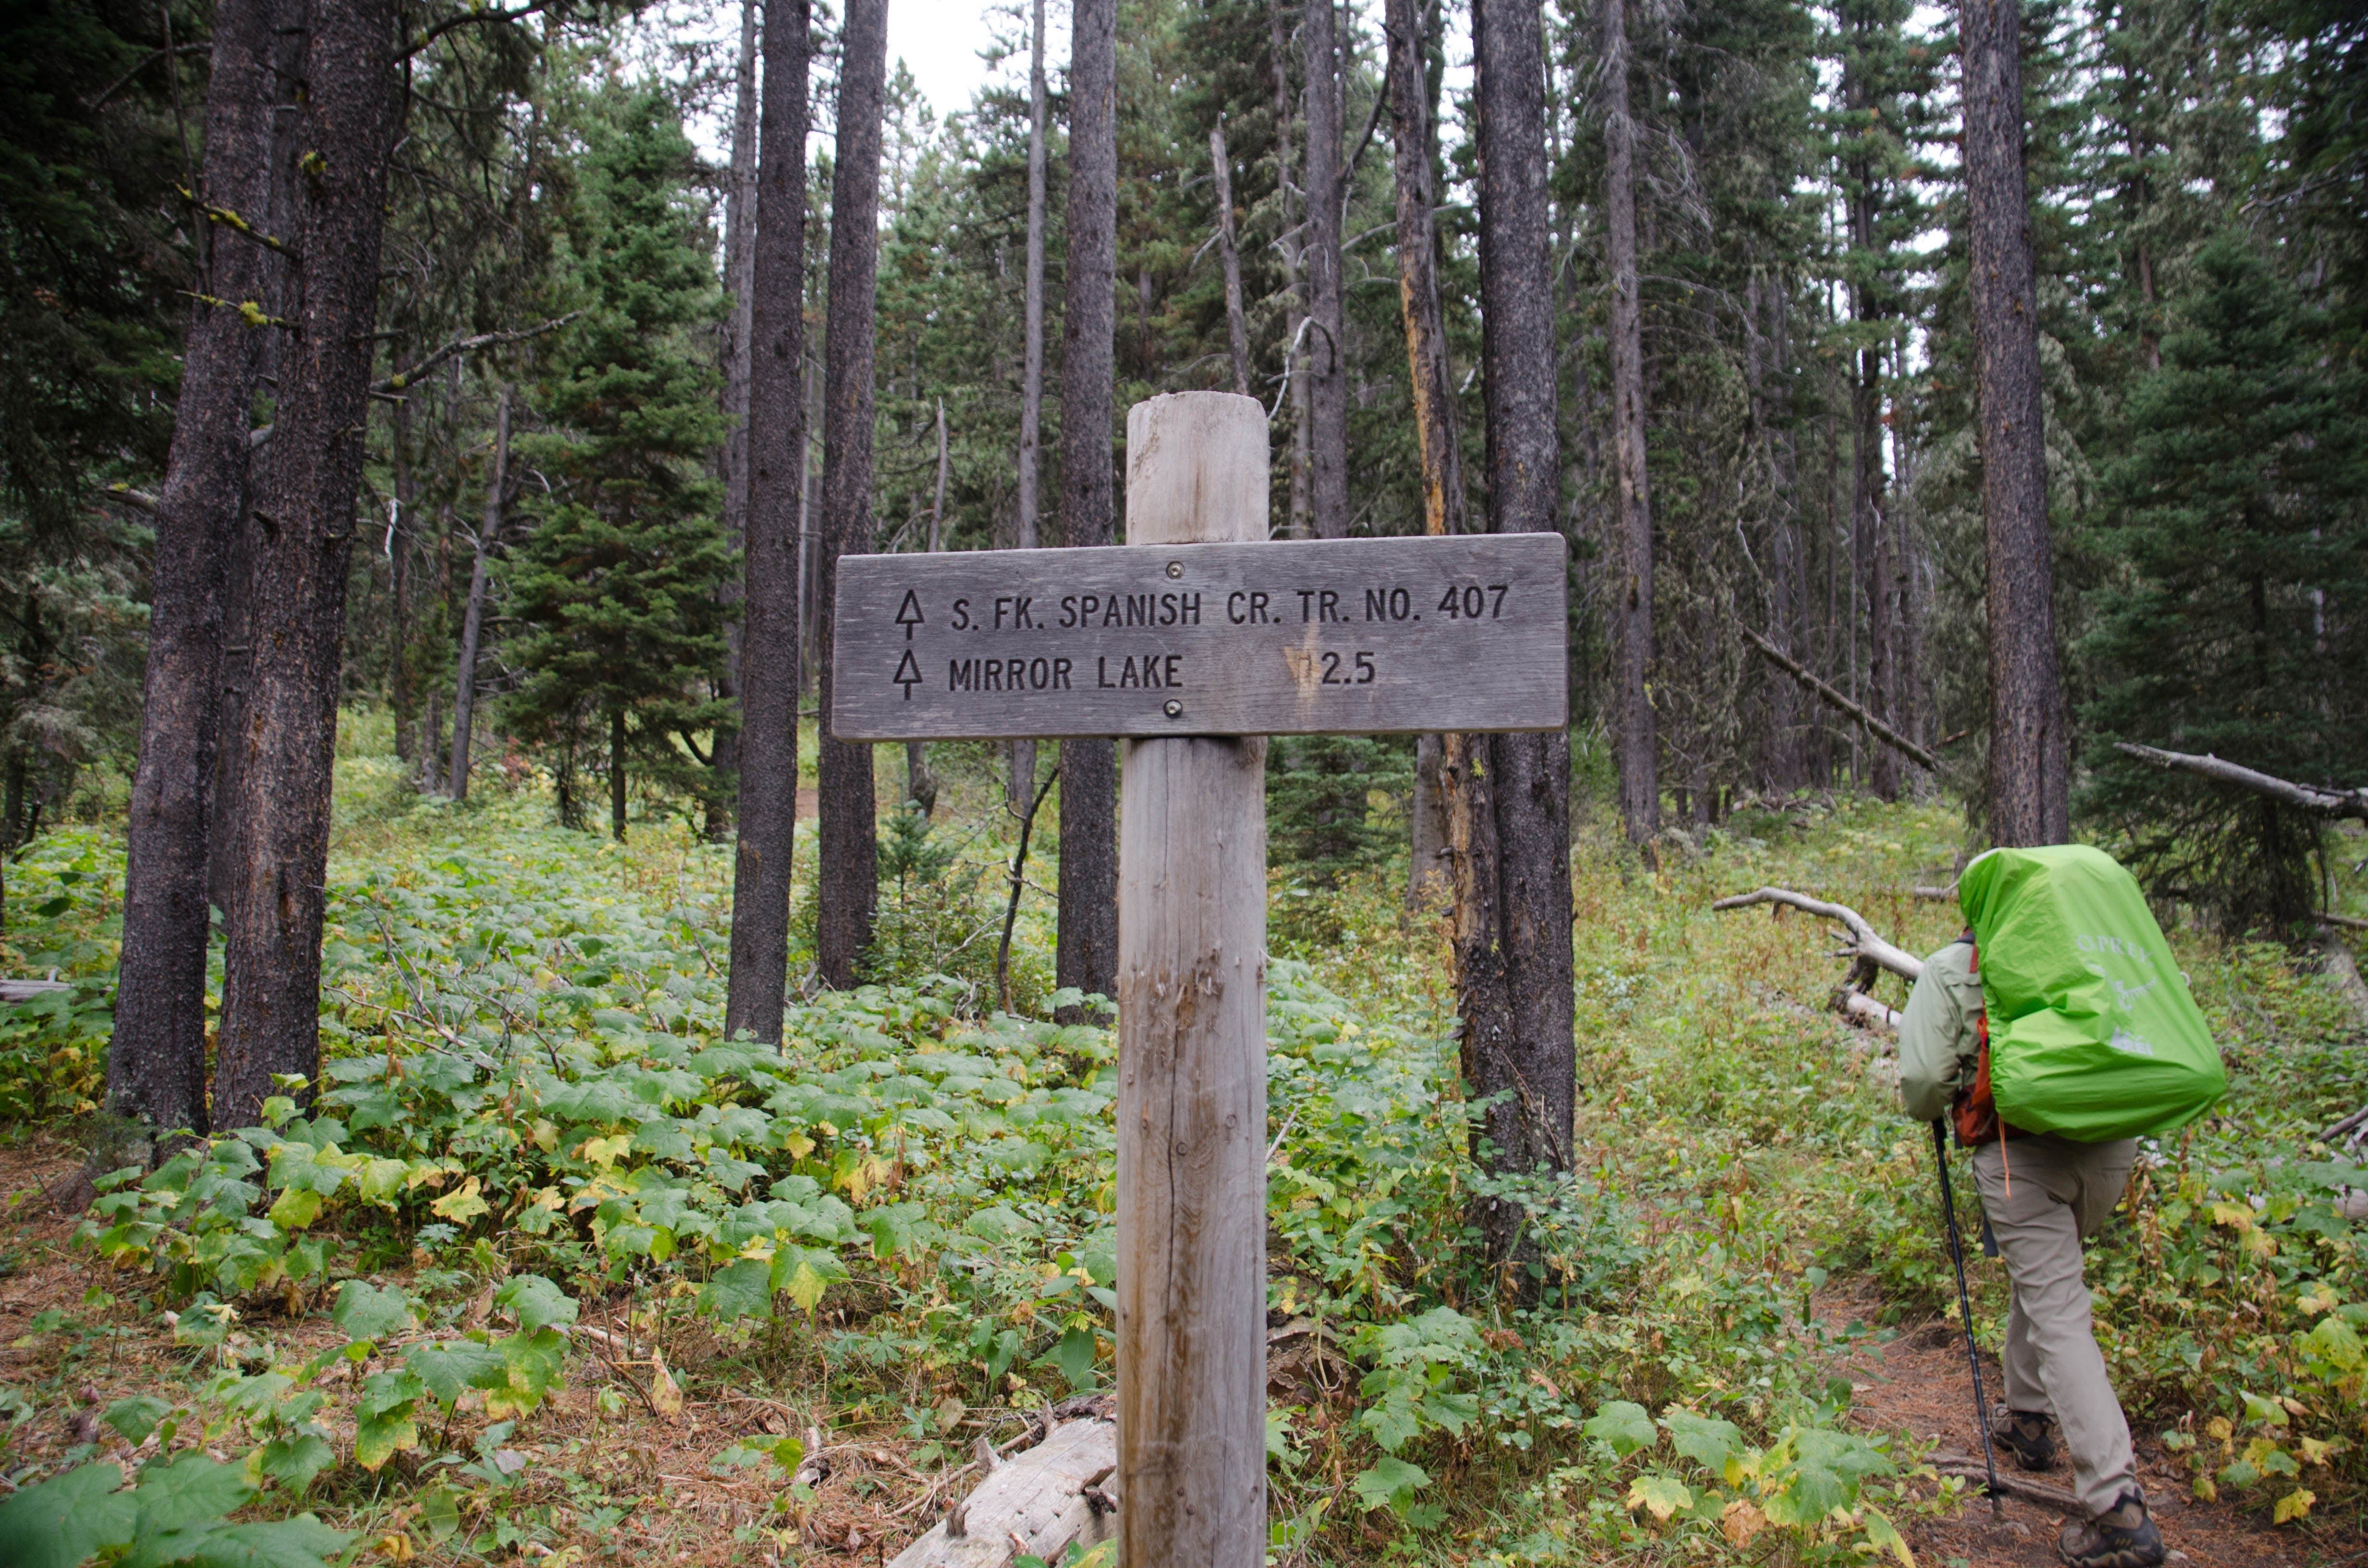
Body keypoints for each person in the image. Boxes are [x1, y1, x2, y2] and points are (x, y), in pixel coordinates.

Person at [1897, 932, 2165, 1568]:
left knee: (2056, 1306)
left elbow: (1923, 1081)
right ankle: (2028, 1419)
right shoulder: (2084, 949)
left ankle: (2117, 1506)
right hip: (2111, 1148)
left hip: (2021, 1155)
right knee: (2047, 1280)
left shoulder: (1951, 967)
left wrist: (1938, 1103)